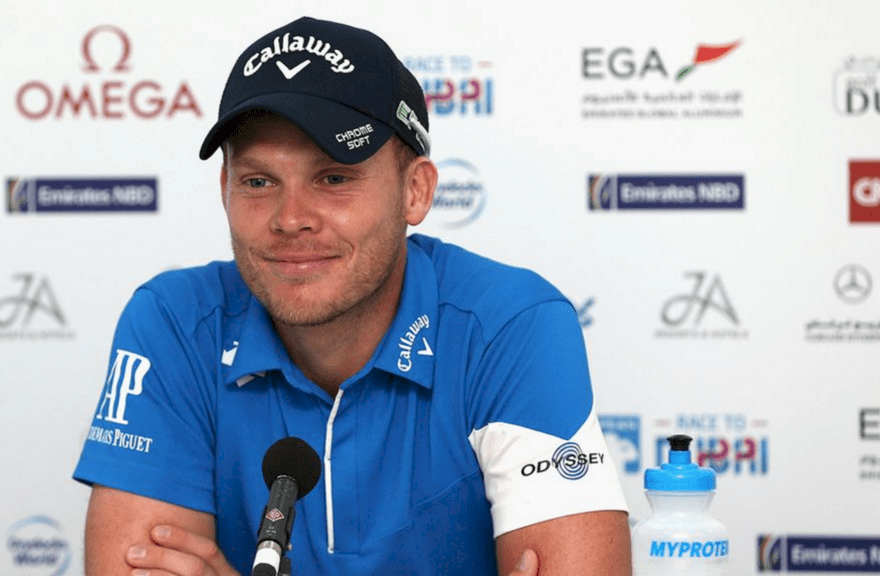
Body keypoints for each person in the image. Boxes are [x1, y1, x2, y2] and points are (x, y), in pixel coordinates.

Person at [74, 16, 631, 576]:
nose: (290, 218)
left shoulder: (510, 325)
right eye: (259, 181)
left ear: (415, 191)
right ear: (225, 190)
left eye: (334, 178)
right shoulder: (174, 322)